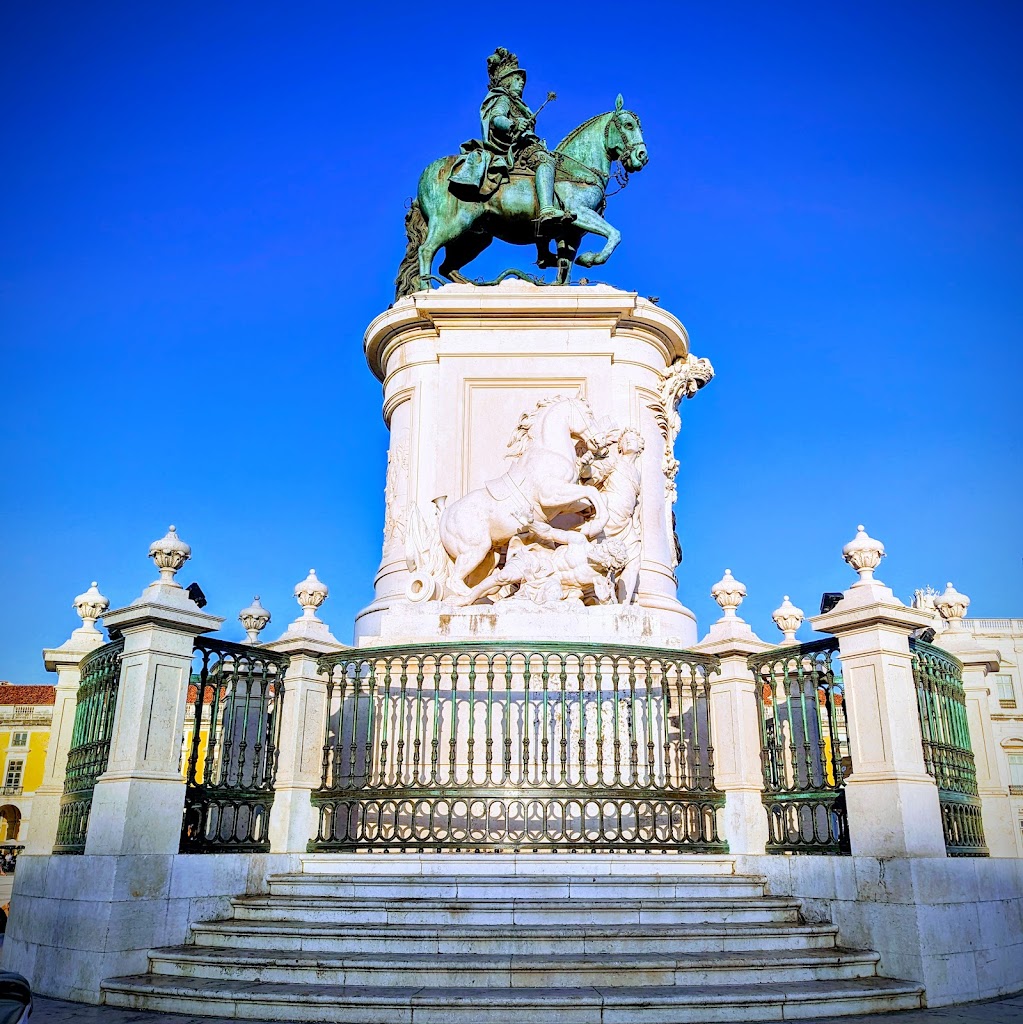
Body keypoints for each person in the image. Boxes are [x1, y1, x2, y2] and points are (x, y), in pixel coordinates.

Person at [450, 47, 573, 227]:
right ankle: (546, 209)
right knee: (545, 161)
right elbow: (496, 118)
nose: (521, 81)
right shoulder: (504, 98)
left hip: (526, 144)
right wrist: (514, 125)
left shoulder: (520, 104)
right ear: (507, 81)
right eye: (517, 78)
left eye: (522, 78)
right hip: (517, 148)